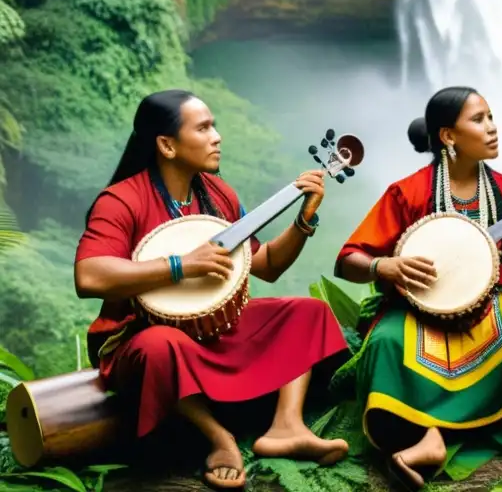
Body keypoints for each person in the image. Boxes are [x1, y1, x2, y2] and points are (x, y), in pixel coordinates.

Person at [74, 90, 350, 490]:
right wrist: (180, 266)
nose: (217, 136)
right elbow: (90, 276)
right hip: (142, 337)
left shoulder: (218, 194)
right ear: (166, 145)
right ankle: (219, 439)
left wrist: (304, 220)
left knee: (306, 312)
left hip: (215, 329)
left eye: (214, 126)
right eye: (203, 128)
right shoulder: (121, 200)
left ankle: (286, 426)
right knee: (161, 346)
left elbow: (267, 265)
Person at [335, 86, 502, 490]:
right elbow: (348, 261)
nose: (492, 128)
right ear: (448, 136)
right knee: (388, 343)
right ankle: (429, 436)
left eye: (491, 117)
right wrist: (386, 266)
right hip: (416, 306)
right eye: (479, 119)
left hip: (487, 303)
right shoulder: (408, 191)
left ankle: (442, 434)